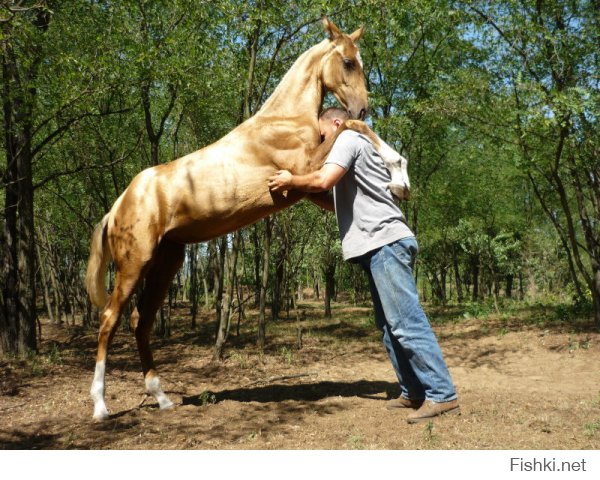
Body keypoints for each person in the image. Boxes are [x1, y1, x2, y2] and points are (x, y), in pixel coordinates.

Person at [267, 107, 459, 423]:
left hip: (385, 242)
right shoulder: (359, 147)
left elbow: (323, 179)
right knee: (389, 327)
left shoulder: (348, 138)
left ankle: (442, 394)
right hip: (378, 245)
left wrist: (294, 178)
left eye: (322, 133)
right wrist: (301, 189)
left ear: (336, 123)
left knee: (406, 322)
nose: (321, 139)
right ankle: (413, 391)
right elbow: (335, 203)